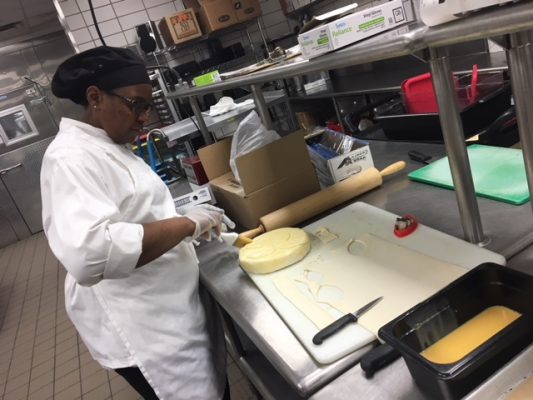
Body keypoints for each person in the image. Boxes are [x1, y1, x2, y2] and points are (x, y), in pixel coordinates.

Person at [41, 46, 231, 400]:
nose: (145, 117)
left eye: (149, 106)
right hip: (143, 324)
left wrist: (194, 227)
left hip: (167, 301)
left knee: (216, 387)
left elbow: (135, 213)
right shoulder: (69, 158)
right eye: (136, 105)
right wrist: (186, 225)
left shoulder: (107, 144)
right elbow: (91, 254)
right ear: (95, 97)